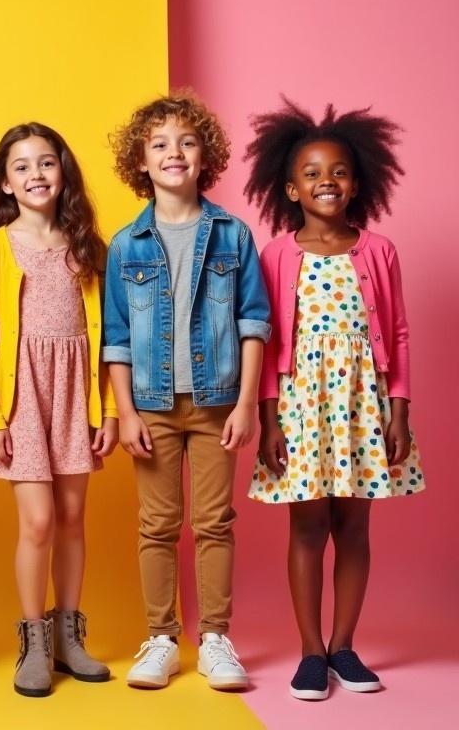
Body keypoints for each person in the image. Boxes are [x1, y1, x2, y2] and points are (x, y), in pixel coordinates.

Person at [243, 98, 424, 700]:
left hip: (363, 407)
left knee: (354, 524)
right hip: (300, 405)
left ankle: (345, 645)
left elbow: (395, 333)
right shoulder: (275, 254)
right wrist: (268, 420)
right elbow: (265, 345)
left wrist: (399, 411)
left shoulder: (379, 251)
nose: (327, 181)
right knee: (307, 527)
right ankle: (310, 652)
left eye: (340, 171)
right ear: (290, 188)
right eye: (313, 173)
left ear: (357, 182)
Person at [103, 90, 270, 691]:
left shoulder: (232, 235)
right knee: (156, 524)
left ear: (206, 156)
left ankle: (217, 638)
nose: (174, 153)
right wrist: (124, 412)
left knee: (215, 521)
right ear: (141, 163)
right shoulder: (126, 245)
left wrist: (247, 401)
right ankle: (161, 638)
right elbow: (116, 338)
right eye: (160, 144)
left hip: (217, 402)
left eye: (187, 141)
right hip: (150, 406)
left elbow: (254, 323)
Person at [0, 123, 119, 697]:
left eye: (47, 163)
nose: (36, 175)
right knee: (37, 521)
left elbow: (106, 339)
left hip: (75, 393)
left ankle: (69, 636)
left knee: (73, 519)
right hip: (22, 397)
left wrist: (105, 409)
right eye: (22, 166)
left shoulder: (87, 246)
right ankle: (33, 639)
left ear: (64, 173)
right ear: (5, 183)